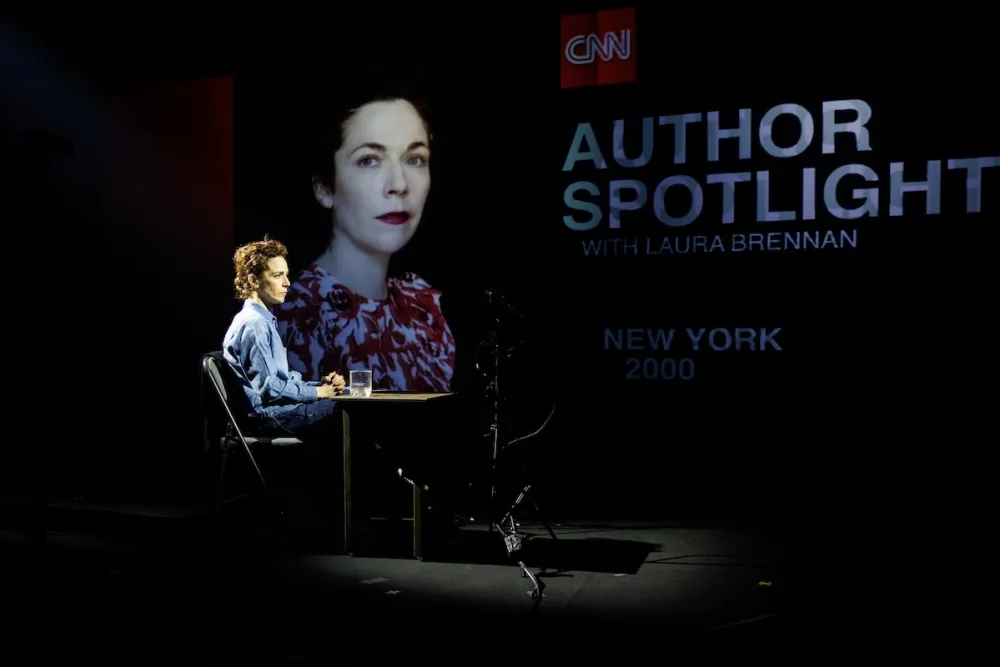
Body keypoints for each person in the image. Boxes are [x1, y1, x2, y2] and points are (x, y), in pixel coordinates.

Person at [275, 78, 456, 393]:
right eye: (369, 160)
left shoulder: (420, 306)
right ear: (325, 188)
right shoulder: (300, 316)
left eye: (414, 159)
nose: (399, 184)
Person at [223, 236, 347, 436]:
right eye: (278, 275)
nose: (287, 283)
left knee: (349, 398)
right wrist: (318, 393)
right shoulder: (254, 323)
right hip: (269, 417)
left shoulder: (263, 320)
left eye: (286, 275)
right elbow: (270, 389)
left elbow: (283, 380)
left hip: (279, 411)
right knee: (353, 411)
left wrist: (320, 386)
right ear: (254, 281)